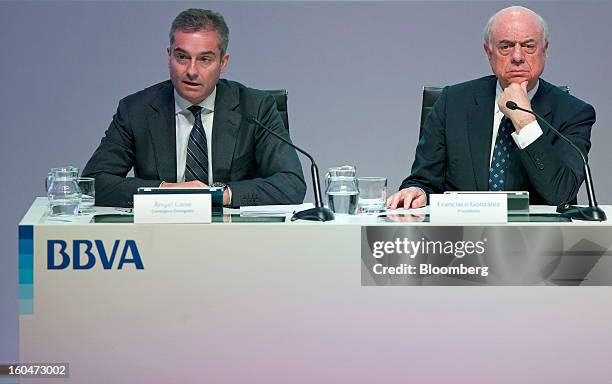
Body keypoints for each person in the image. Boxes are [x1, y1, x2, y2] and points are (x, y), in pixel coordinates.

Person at [82, 8, 306, 208]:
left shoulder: (255, 108)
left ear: (223, 62)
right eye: (182, 57)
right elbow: (94, 183)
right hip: (159, 235)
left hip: (236, 238)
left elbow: (291, 183)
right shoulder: (136, 110)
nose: (191, 70)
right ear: (169, 56)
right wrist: (163, 191)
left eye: (205, 59)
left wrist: (218, 196)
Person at [387, 6, 595, 209]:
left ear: (545, 50)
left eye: (529, 46)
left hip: (538, 239)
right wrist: (417, 191)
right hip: (461, 237)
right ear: (488, 52)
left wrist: (524, 121)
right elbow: (424, 180)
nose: (517, 56)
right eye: (505, 46)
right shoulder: (452, 102)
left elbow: (561, 194)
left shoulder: (574, 113)